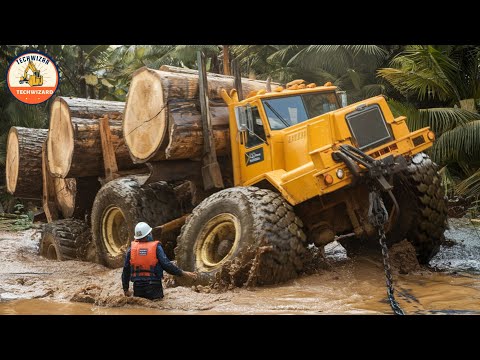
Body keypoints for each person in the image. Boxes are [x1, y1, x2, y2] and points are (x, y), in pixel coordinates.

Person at [121, 221, 197, 300]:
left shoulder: (131, 250)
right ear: (148, 235)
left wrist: (125, 289)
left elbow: (126, 270)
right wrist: (183, 273)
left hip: (138, 288)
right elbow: (167, 265)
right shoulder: (156, 248)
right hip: (154, 287)